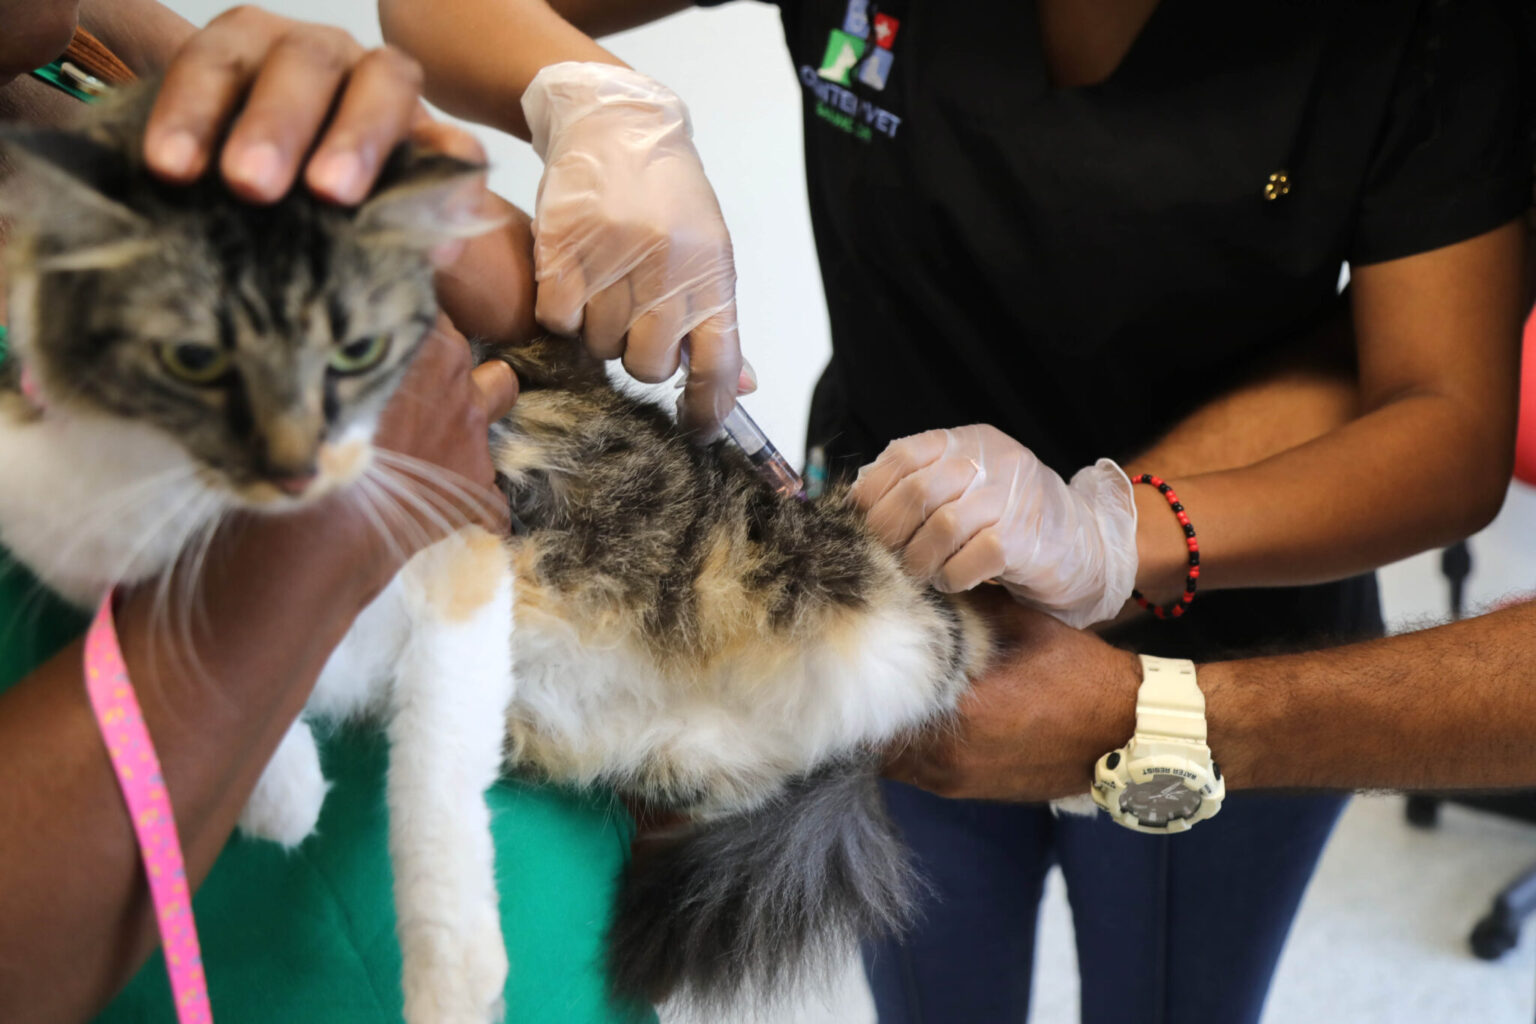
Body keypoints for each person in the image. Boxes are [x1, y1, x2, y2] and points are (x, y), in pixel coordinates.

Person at [381, 1, 1531, 1021]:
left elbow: (1447, 422)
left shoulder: (1425, 30)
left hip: (1224, 616)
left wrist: (1111, 531)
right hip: (876, 602)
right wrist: (596, 100)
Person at [0, 5, 652, 1022]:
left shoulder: (78, 65)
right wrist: (318, 551)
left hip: (561, 917)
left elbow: (516, 317)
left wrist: (415, 199)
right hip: (249, 966)